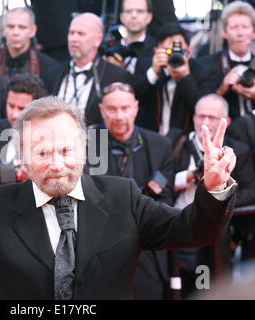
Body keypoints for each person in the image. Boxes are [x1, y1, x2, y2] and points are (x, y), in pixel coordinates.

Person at [0, 95, 238, 300]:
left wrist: (214, 188)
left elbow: (194, 230)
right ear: (21, 156)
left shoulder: (122, 197)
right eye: (42, 151)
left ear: (84, 148)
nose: (56, 163)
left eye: (66, 149)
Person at [87, 81, 175, 299]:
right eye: (112, 109)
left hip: (147, 248)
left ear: (136, 108)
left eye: (125, 108)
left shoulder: (159, 145)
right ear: (101, 110)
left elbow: (165, 200)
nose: (119, 116)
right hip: (99, 250)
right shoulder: (87, 143)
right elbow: (88, 197)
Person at [168, 93, 255, 298]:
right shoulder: (174, 144)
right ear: (194, 117)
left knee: (203, 285)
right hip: (175, 225)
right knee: (174, 286)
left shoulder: (237, 152)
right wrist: (188, 177)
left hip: (211, 233)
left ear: (227, 122)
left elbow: (251, 190)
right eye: (201, 116)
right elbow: (155, 183)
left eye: (212, 118)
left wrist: (220, 199)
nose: (205, 122)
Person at [41, 12, 133, 126]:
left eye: (81, 34)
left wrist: (96, 142)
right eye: (71, 33)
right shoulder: (52, 74)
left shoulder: (116, 76)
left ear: (97, 40)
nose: (74, 38)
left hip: (97, 140)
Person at [134, 23, 215, 135]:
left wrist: (185, 78)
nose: (173, 56)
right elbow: (134, 100)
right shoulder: (146, 66)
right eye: (168, 51)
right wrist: (154, 73)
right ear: (156, 51)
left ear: (190, 52)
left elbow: (203, 110)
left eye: (179, 51)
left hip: (185, 144)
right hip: (151, 138)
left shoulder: (204, 73)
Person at [198, 1, 255, 121]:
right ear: (224, 32)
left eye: (245, 27)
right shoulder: (206, 65)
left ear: (253, 32)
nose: (240, 33)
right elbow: (197, 107)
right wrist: (221, 90)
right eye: (234, 27)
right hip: (224, 135)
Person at [0, 7, 58, 78]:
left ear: (33, 30)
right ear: (4, 29)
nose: (15, 32)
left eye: (22, 27)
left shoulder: (49, 67)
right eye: (11, 27)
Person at [104, 0, 156, 75]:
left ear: (149, 17)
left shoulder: (156, 48)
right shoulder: (110, 48)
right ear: (121, 17)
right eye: (128, 11)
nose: (134, 15)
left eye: (140, 11)